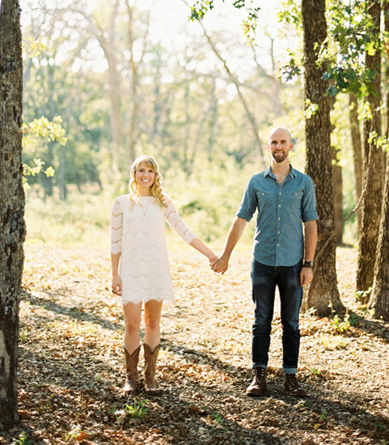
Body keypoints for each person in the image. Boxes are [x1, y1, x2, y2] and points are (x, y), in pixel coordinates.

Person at [211, 126, 318, 397]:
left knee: (291, 322)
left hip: (294, 263)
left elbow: (311, 224)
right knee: (261, 321)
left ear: (290, 146)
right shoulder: (256, 182)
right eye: (274, 142)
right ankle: (258, 376)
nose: (278, 146)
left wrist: (309, 263)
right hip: (263, 262)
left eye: (283, 142)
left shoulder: (303, 183)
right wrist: (225, 255)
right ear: (267, 147)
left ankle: (290, 377)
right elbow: (241, 219)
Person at [111, 155, 217, 395]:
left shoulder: (163, 202)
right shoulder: (121, 203)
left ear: (155, 175)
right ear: (134, 174)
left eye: (150, 171)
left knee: (152, 322)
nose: (145, 175)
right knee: (131, 324)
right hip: (131, 269)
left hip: (155, 267)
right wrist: (114, 274)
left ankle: (150, 377)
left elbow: (184, 231)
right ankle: (130, 378)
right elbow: (115, 241)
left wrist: (211, 255)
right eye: (140, 170)